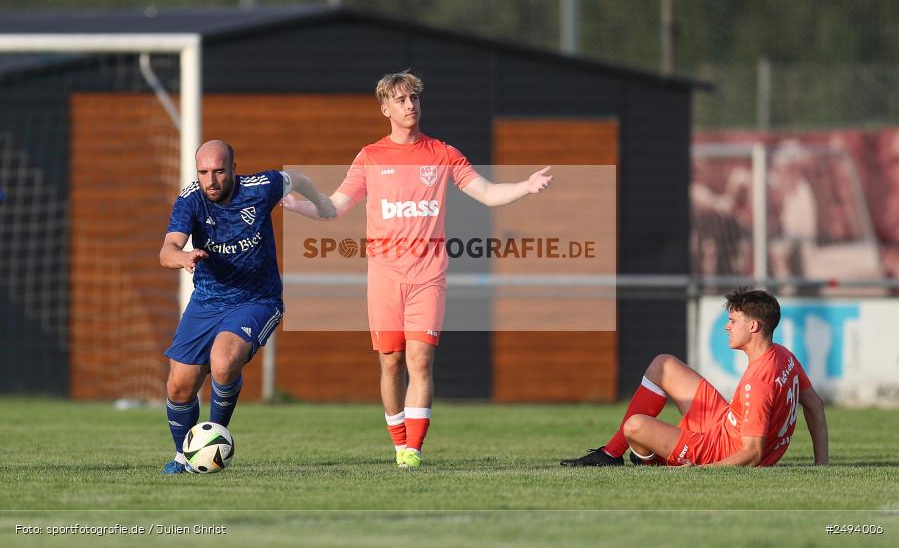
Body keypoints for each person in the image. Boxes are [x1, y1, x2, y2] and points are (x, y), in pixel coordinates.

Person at [282, 70, 552, 468]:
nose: (410, 106)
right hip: (385, 278)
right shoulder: (370, 157)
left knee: (420, 360)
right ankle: (397, 442)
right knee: (390, 361)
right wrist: (300, 207)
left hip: (428, 277)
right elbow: (336, 206)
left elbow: (487, 193)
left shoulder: (442, 153)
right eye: (401, 100)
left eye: (414, 98)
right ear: (385, 109)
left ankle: (413, 450)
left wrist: (524, 187)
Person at [159, 139, 336, 474]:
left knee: (223, 362)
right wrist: (182, 257)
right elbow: (166, 250)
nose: (210, 180)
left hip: (258, 299)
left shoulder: (261, 187)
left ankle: (215, 442)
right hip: (207, 300)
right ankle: (184, 456)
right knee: (178, 386)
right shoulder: (190, 200)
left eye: (219, 171)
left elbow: (297, 178)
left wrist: (322, 203)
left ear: (234, 169)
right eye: (203, 172)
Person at [560, 287, 828, 467]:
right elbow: (815, 405)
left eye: (733, 321)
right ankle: (610, 455)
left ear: (754, 326)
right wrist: (821, 466)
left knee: (635, 427)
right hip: (724, 425)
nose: (727, 326)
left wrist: (702, 471)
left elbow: (752, 453)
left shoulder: (757, 382)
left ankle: (651, 458)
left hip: (720, 450)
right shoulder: (784, 355)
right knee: (663, 365)